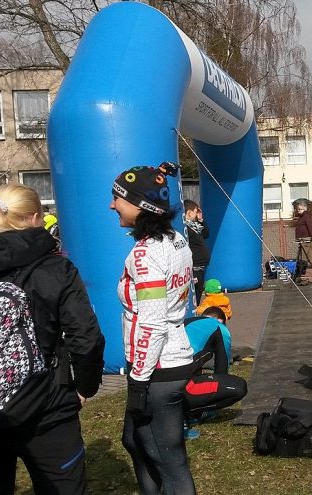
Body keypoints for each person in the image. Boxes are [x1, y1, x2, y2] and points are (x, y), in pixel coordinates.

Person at [0, 183, 105, 495]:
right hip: (47, 406)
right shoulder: (56, 267)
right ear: (36, 217)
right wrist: (85, 387)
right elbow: (86, 337)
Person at [110, 162, 197, 495]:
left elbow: (153, 321)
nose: (111, 205)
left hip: (158, 370)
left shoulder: (145, 255)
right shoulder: (175, 240)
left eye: (117, 198)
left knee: (170, 462)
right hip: (169, 359)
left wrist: (138, 380)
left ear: (140, 205)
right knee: (133, 440)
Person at [182, 307, 247, 429]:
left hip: (158, 384)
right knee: (239, 387)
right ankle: (188, 414)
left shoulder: (187, 321)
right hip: (180, 385)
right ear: (221, 320)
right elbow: (222, 370)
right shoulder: (219, 327)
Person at [184, 199, 210, 304]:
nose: (197, 214)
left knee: (199, 292)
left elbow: (206, 234)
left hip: (201, 267)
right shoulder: (185, 228)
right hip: (194, 267)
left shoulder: (195, 227)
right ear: (189, 213)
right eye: (195, 212)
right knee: (195, 292)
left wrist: (201, 219)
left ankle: (196, 310)